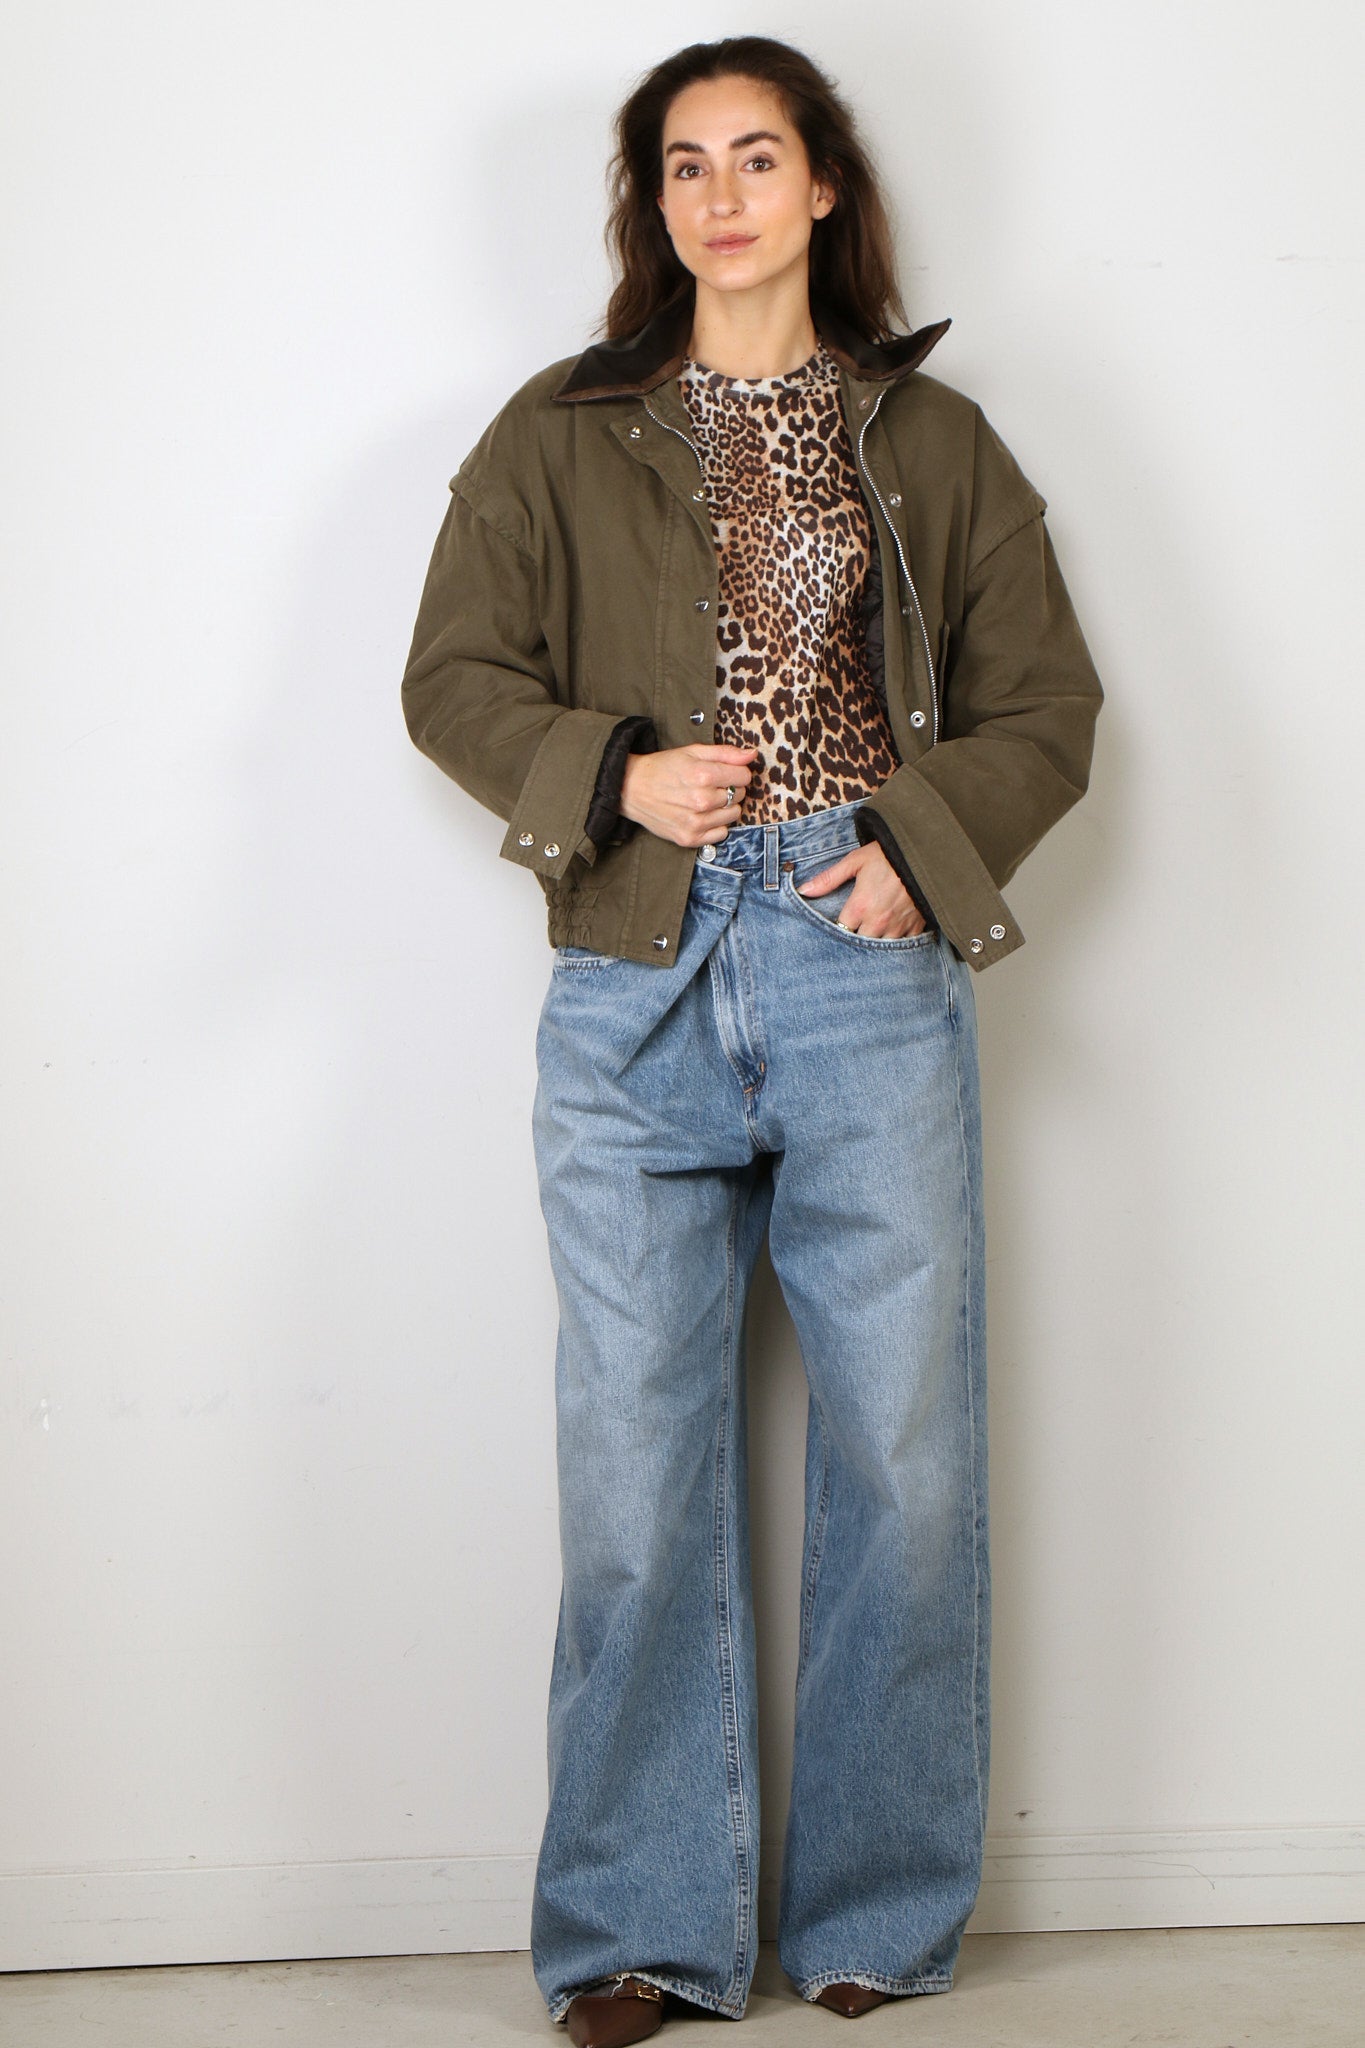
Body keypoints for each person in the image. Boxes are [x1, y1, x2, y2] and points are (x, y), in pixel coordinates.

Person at [401, 35, 1103, 2044]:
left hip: (855, 950)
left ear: (821, 188)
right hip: (635, 961)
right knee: (632, 1475)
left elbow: (1046, 705)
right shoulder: (559, 428)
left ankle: (873, 1911)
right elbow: (450, 675)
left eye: (756, 157)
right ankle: (640, 1930)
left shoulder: (930, 436)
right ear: (655, 206)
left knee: (902, 1454)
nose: (719, 196)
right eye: (683, 165)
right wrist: (610, 775)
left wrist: (914, 854)